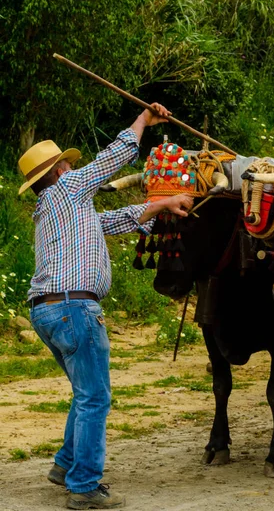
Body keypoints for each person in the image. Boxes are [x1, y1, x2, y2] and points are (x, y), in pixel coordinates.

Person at [18, 104, 194, 510]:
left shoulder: (57, 210)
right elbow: (111, 158)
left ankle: (65, 465)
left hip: (47, 312)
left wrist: (161, 205)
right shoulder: (69, 190)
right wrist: (142, 122)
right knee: (95, 397)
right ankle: (84, 487)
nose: (71, 169)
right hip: (73, 309)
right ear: (61, 171)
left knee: (85, 393)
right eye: (66, 164)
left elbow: (115, 219)